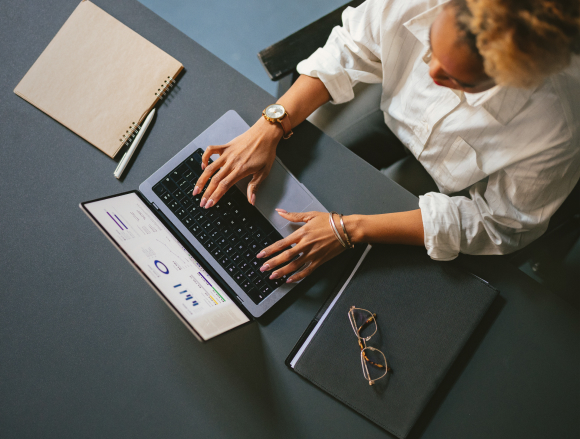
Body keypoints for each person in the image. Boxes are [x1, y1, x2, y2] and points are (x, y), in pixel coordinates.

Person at [191, 0, 580, 284]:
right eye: (431, 45)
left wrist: (350, 229)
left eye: (459, 81)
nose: (429, 72)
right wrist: (270, 126)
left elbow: (500, 224)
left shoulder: (556, 128)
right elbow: (351, 48)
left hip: (462, 185)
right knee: (298, 179)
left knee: (358, 269)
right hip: (389, 109)